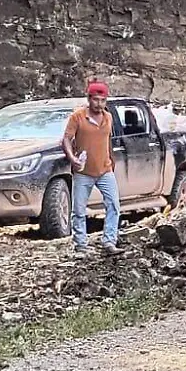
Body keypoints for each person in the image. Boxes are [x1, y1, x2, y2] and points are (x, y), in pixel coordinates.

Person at [62, 80, 122, 257]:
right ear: (89, 99)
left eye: (102, 100)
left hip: (105, 169)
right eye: (96, 100)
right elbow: (66, 139)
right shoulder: (78, 117)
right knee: (79, 210)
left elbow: (107, 140)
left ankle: (109, 241)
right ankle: (80, 244)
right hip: (83, 171)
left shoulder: (108, 117)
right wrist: (72, 159)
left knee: (113, 205)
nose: (99, 104)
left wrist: (112, 159)